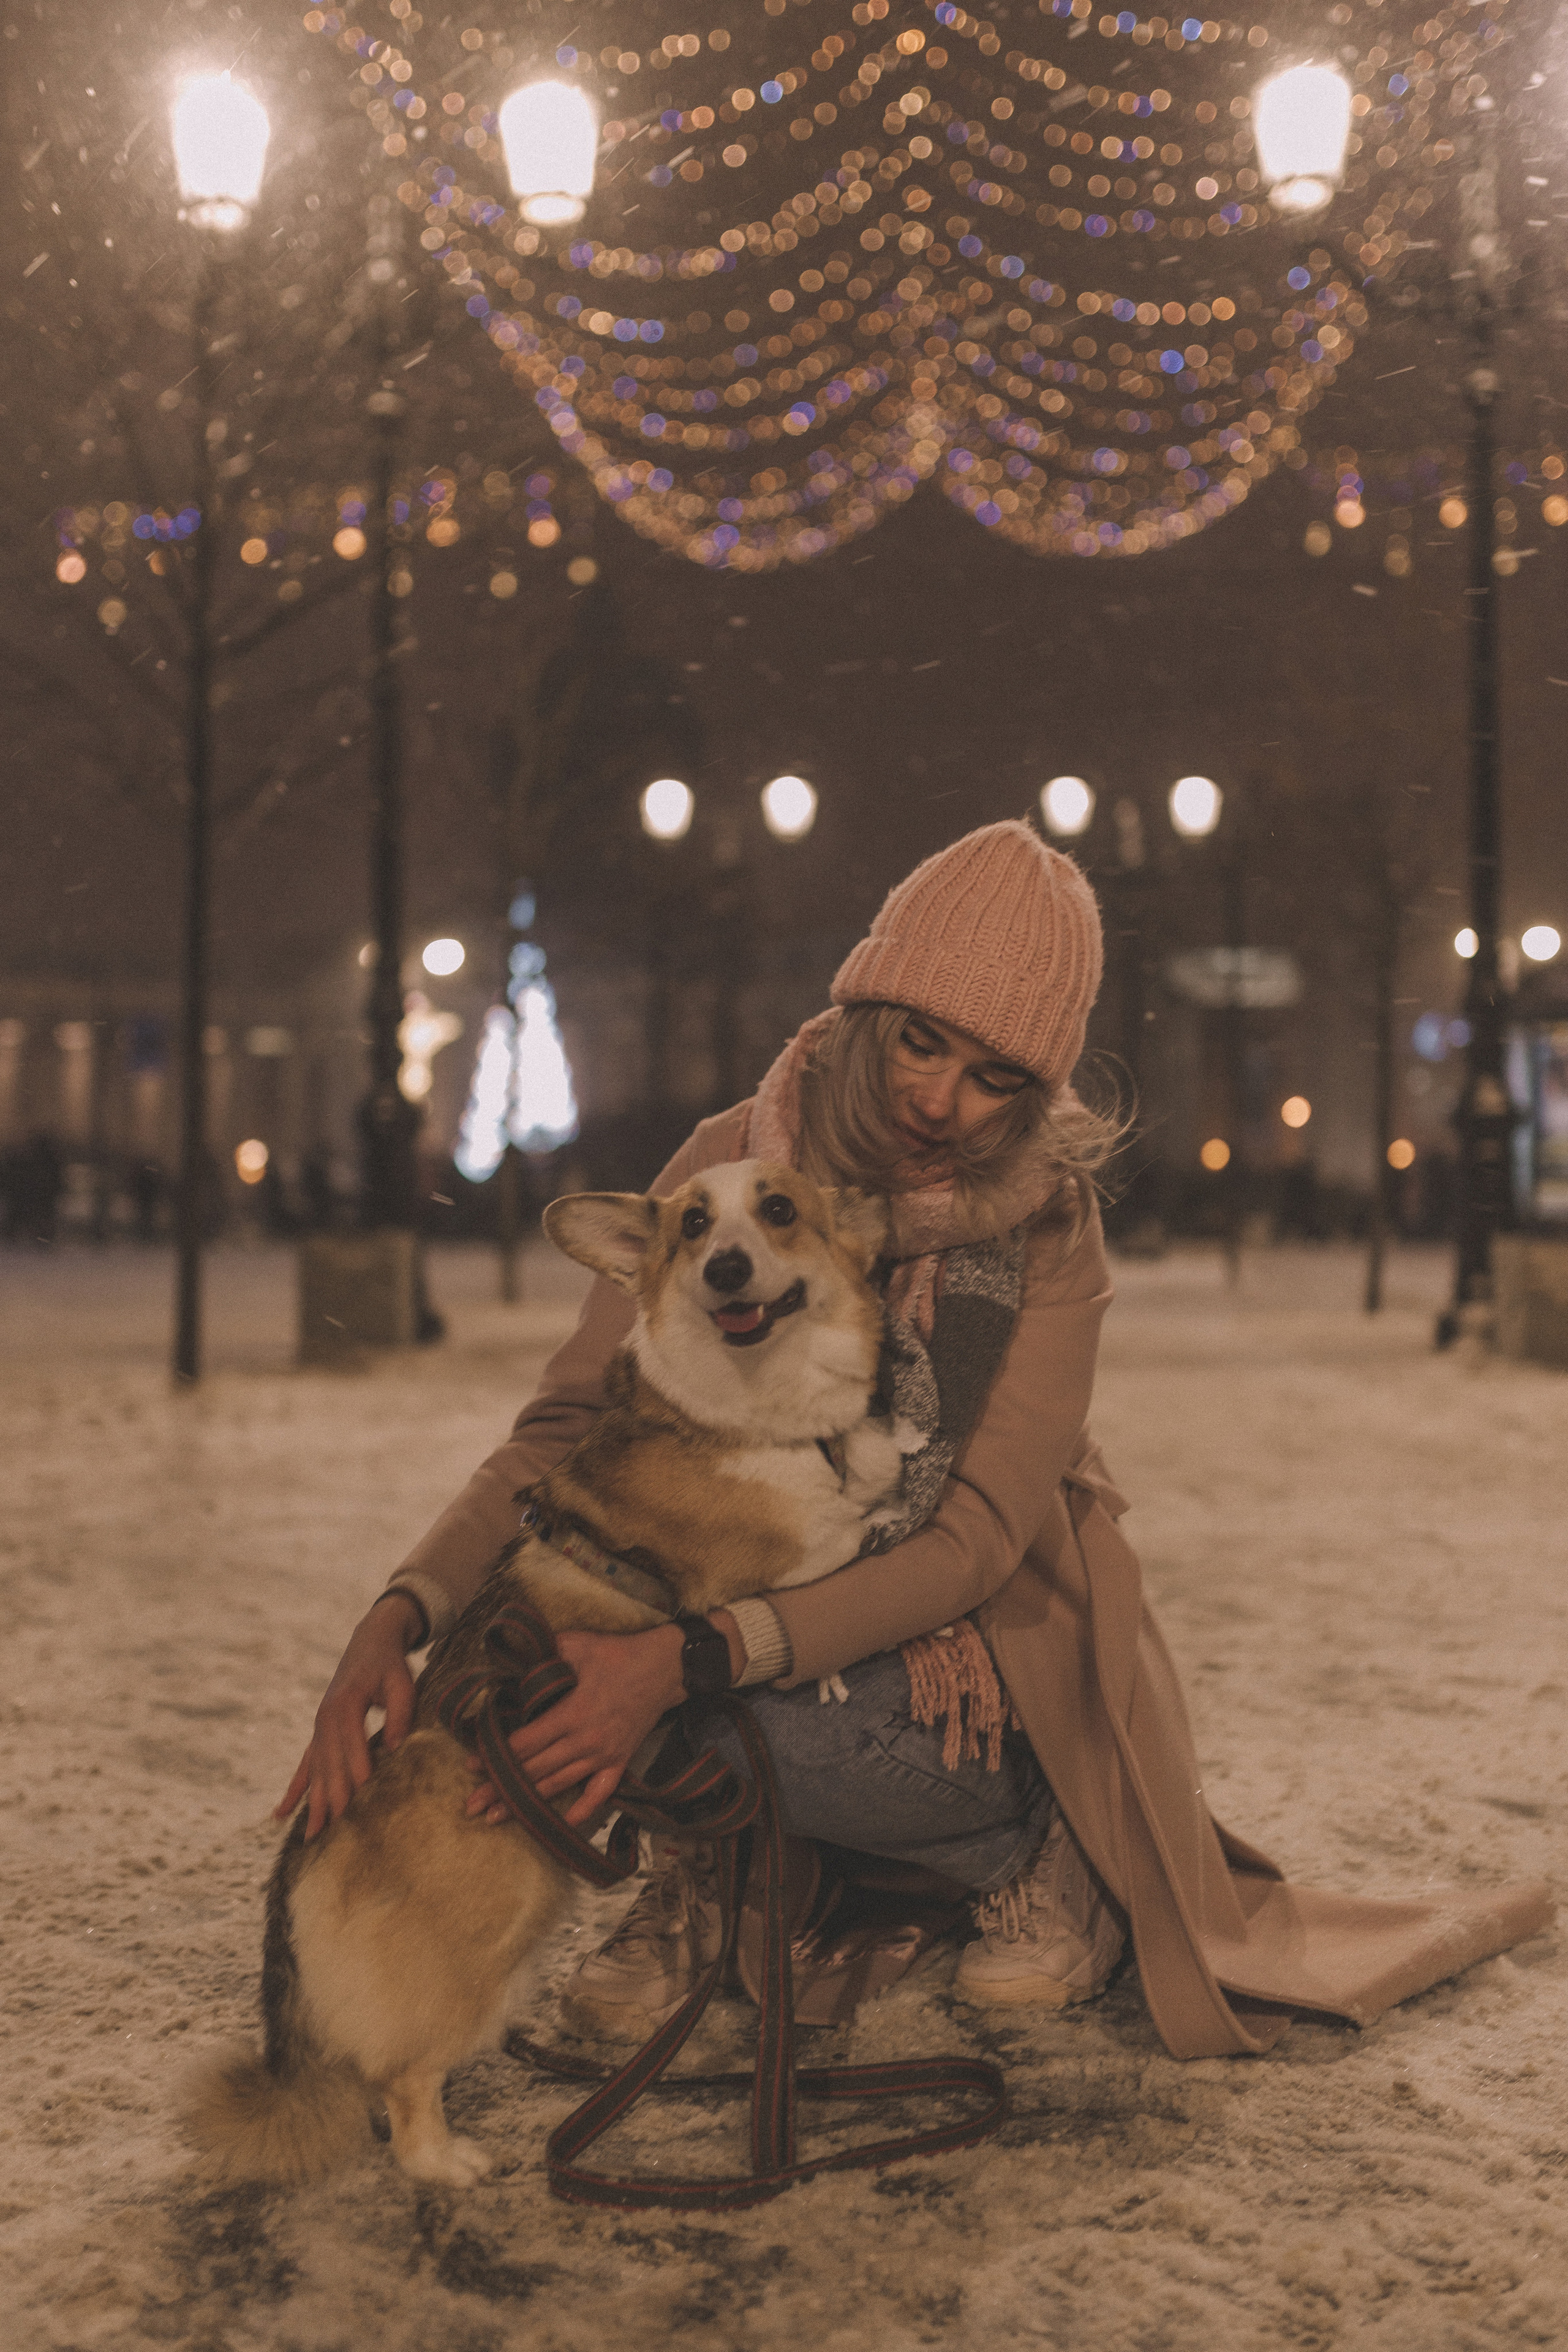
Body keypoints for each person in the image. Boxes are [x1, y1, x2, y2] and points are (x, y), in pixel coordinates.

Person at [280, 821, 1550, 2060]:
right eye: (920, 1047)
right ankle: (742, 1867)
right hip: (764, 1590)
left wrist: (691, 1661)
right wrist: (399, 1613)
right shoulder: (726, 1167)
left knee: (701, 1713)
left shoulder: (1043, 1224)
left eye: (995, 1077)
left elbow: (976, 1539)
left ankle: (1035, 1847)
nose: (941, 1103)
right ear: (869, 1017)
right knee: (572, 1664)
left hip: (989, 1649)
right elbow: (566, 1426)